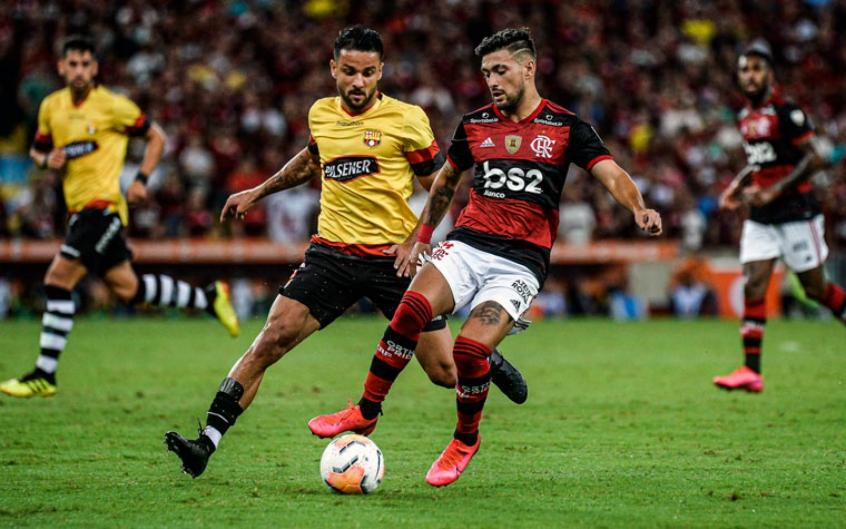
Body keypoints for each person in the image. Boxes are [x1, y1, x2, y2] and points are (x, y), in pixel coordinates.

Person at [164, 26, 527, 478]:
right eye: (350, 72)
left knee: (446, 374)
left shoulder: (407, 119)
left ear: (381, 72)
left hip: (393, 260)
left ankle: (485, 356)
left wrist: (418, 238)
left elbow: (440, 184)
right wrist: (257, 191)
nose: (358, 82)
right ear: (333, 68)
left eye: (368, 73)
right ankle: (206, 443)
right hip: (330, 256)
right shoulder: (320, 114)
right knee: (269, 341)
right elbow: (311, 161)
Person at [309, 27, 662, 487]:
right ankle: (367, 409)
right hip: (469, 243)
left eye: (501, 70)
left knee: (470, 349)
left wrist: (638, 207)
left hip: (520, 261)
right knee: (410, 308)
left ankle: (464, 439)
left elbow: (612, 174)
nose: (492, 81)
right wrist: (421, 236)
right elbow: (446, 181)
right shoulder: (475, 124)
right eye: (486, 73)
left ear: (528, 68)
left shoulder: (564, 126)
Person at [0, 36, 240, 399]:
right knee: (129, 289)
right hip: (78, 211)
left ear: (94, 68)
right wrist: (44, 160)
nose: (79, 70)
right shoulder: (52, 107)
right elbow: (38, 148)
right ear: (62, 67)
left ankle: (44, 373)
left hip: (104, 208)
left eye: (86, 64)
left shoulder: (113, 106)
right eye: (73, 64)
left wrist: (141, 179)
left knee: (57, 280)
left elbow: (156, 137)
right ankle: (208, 297)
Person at [713, 41, 845, 393]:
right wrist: (736, 187)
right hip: (761, 216)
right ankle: (751, 370)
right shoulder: (745, 117)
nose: (750, 75)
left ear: (769, 73)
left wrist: (776, 189)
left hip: (797, 213)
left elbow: (815, 158)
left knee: (815, 289)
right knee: (755, 282)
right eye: (745, 69)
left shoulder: (787, 111)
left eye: (757, 68)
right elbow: (759, 162)